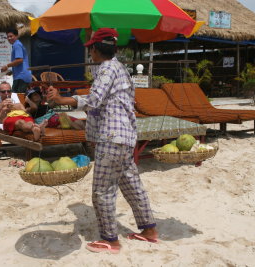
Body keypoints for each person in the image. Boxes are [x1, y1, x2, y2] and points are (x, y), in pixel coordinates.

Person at [47, 28, 157, 254]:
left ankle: (110, 240)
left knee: (102, 191)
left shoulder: (106, 69)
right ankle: (149, 230)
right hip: (124, 138)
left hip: (111, 137)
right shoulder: (120, 68)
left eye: (91, 50)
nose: (90, 55)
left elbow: (94, 100)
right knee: (131, 185)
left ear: (95, 50)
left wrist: (62, 99)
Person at [1, 28, 32, 93]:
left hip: (21, 76)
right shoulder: (16, 45)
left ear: (16, 36)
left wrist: (7, 66)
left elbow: (19, 60)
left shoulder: (17, 45)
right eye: (8, 37)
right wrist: (12, 72)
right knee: (18, 96)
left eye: (11, 36)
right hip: (21, 76)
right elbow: (20, 63)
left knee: (17, 97)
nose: (9, 38)